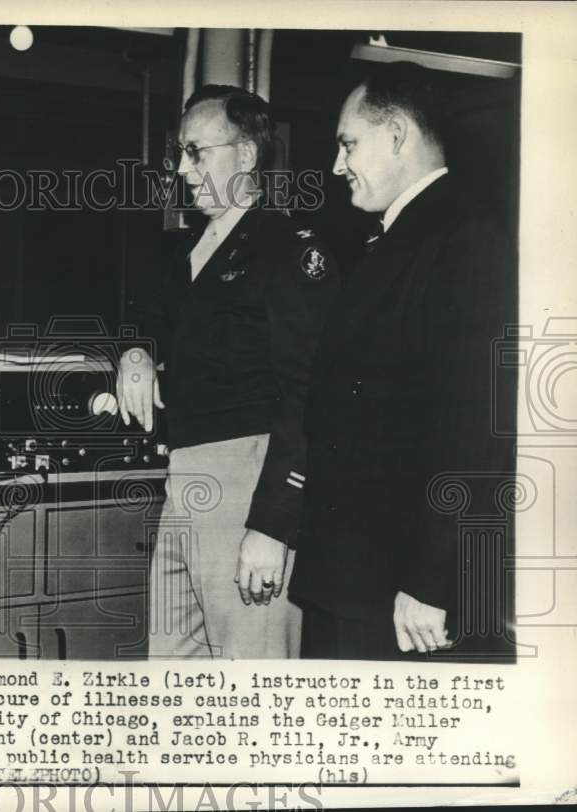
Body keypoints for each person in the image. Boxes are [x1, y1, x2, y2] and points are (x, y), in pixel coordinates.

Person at [290, 61, 515, 660]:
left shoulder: (467, 239)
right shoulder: (395, 236)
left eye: (348, 144)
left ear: (395, 135)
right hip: (351, 579)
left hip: (400, 590)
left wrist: (433, 578)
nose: (338, 166)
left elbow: (475, 429)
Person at [121, 85, 340, 658]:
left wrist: (272, 526)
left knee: (254, 679)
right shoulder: (189, 251)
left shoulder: (287, 248)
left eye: (198, 152)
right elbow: (147, 317)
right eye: (181, 153)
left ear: (245, 156)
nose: (182, 169)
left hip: (249, 480)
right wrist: (137, 353)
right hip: (185, 477)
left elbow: (310, 395)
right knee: (173, 672)